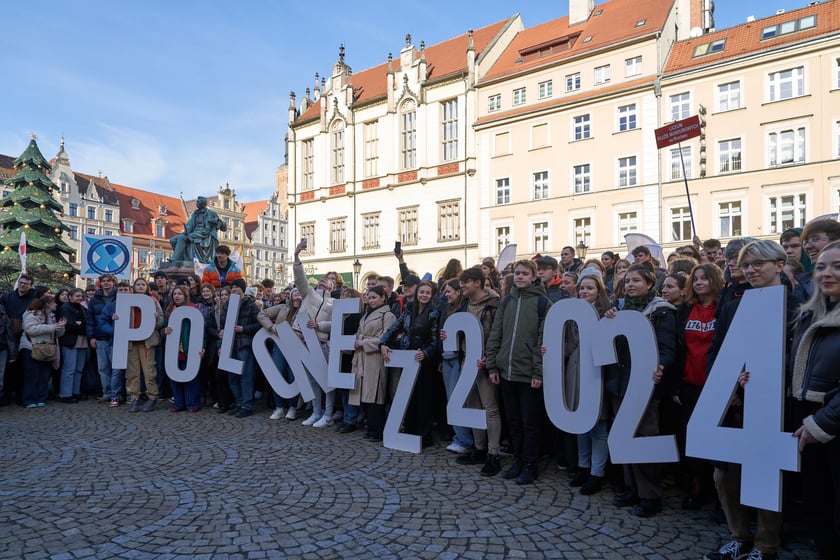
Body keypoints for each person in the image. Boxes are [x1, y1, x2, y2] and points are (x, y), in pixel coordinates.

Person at [705, 240, 802, 560]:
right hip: (735, 401)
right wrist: (726, 386)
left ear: (779, 263)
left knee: (766, 474)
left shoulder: (798, 304)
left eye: (759, 263)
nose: (750, 270)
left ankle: (765, 545)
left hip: (775, 403)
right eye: (746, 265)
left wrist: (763, 375)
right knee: (724, 474)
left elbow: (800, 356)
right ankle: (739, 536)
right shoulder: (735, 302)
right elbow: (718, 348)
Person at [607, 262, 677, 517]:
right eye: (627, 281)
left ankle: (651, 495)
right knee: (624, 437)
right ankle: (632, 488)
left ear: (650, 284)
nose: (630, 285)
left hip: (644, 384)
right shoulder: (618, 309)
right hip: (618, 382)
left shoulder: (662, 312)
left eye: (636, 281)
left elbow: (668, 348)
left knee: (645, 439)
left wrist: (661, 367)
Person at [790, 240, 840, 559]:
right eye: (821, 266)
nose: (827, 273)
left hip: (828, 421)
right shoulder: (812, 313)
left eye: (837, 266)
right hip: (811, 418)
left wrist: (821, 423)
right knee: (819, 499)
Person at [486, 259, 551, 484]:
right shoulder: (506, 303)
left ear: (534, 277)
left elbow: (544, 340)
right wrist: (492, 364)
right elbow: (496, 334)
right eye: (517, 273)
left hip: (528, 374)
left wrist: (538, 372)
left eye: (525, 273)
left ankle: (531, 464)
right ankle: (518, 459)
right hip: (506, 372)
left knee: (530, 423)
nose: (520, 277)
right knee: (513, 421)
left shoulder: (543, 303)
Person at [673, 263, 724, 510]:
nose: (699, 283)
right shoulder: (684, 311)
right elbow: (676, 348)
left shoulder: (725, 309)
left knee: (716, 442)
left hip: (716, 386)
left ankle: (719, 495)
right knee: (691, 440)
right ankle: (697, 488)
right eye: (696, 279)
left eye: (705, 278)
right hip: (689, 385)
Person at [381, 279, 440, 448]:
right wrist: (383, 343)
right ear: (417, 293)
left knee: (424, 397)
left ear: (432, 295)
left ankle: (425, 435)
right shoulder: (408, 309)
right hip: (407, 357)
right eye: (422, 292)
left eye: (428, 293)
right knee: (409, 396)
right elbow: (394, 328)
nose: (424, 295)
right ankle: (410, 430)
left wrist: (426, 352)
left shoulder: (434, 313)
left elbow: (436, 340)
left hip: (423, 359)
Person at [454, 266, 502, 476]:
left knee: (490, 408)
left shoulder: (494, 304)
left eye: (465, 282)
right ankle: (480, 448)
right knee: (473, 406)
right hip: (468, 360)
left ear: (477, 282)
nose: (462, 285)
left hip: (485, 362)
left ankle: (493, 454)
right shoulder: (465, 304)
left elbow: (498, 335)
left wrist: (490, 360)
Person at [572, 271, 612, 495]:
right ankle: (582, 467)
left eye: (590, 288)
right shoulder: (571, 314)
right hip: (575, 373)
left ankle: (597, 473)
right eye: (582, 288)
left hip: (599, 374)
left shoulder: (608, 314)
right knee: (580, 423)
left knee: (598, 426)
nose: (584, 292)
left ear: (599, 292)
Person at [293, 240, 336, 427]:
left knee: (326, 380)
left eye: (330, 279)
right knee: (311, 380)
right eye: (324, 277)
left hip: (320, 342)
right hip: (304, 341)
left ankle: (328, 413)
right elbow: (300, 279)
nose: (325, 280)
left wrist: (319, 325)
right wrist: (296, 258)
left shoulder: (334, 303)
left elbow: (334, 324)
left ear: (333, 286)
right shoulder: (309, 293)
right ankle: (316, 412)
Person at [350, 286, 396, 441]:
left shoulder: (388, 315)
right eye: (369, 298)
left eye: (374, 297)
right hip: (362, 357)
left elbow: (386, 337)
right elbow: (359, 331)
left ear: (384, 297)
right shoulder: (366, 315)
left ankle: (378, 430)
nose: (370, 300)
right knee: (366, 394)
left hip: (375, 358)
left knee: (376, 394)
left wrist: (364, 342)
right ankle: (371, 428)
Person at [438, 278, 474, 454]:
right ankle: (459, 437)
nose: (446, 295)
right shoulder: (447, 308)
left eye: (448, 291)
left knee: (457, 400)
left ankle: (464, 440)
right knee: (451, 399)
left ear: (458, 292)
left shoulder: (464, 308)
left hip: (458, 359)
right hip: (446, 359)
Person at [219, 278, 261, 418]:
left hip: (244, 344)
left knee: (246, 376)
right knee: (233, 377)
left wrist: (244, 328)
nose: (234, 290)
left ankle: (247, 405)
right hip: (230, 345)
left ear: (242, 289)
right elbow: (223, 324)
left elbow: (259, 325)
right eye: (233, 288)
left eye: (237, 287)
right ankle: (239, 402)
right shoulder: (227, 305)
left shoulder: (251, 305)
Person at [125, 278, 164, 413]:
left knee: (149, 370)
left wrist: (157, 318)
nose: (140, 287)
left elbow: (161, 322)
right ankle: (134, 397)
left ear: (146, 287)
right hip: (131, 341)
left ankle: (152, 396)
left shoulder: (152, 301)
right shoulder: (127, 302)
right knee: (132, 371)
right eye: (138, 284)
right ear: (134, 287)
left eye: (143, 285)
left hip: (146, 341)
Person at [163, 286, 203, 412]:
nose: (177, 296)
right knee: (174, 377)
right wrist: (164, 331)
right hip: (173, 349)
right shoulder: (169, 311)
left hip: (189, 348)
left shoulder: (193, 310)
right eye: (175, 294)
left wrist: (203, 347)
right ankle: (179, 403)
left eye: (179, 294)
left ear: (185, 296)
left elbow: (202, 331)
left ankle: (192, 403)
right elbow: (162, 327)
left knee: (191, 377)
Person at [20, 294, 66, 408]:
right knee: (32, 375)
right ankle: (29, 399)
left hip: (47, 349)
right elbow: (31, 329)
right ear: (47, 304)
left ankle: (41, 398)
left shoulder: (52, 316)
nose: (56, 304)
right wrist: (52, 327)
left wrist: (61, 327)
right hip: (32, 347)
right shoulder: (32, 313)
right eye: (54, 302)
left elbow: (57, 333)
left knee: (44, 376)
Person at [1, 273, 36, 404]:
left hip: (25, 337)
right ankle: (7, 394)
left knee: (23, 368)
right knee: (8, 368)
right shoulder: (7, 297)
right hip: (8, 337)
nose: (22, 285)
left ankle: (21, 395)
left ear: (30, 285)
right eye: (21, 282)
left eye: (26, 284)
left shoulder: (34, 299)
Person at [87, 274, 118, 402]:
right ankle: (107, 392)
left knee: (116, 368)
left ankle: (117, 393)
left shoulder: (119, 297)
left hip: (116, 338)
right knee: (103, 368)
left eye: (108, 281)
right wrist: (91, 336)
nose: (106, 283)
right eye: (104, 281)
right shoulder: (95, 299)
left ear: (113, 283)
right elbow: (90, 320)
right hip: (100, 338)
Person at [170, 195, 227, 263]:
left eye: (198, 201)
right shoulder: (194, 214)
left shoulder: (211, 213)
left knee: (181, 238)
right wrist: (185, 231)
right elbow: (189, 226)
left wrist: (218, 223)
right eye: (197, 201)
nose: (196, 203)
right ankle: (180, 258)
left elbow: (223, 226)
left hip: (204, 234)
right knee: (173, 240)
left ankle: (175, 258)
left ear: (203, 203)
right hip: (193, 233)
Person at [57, 288, 87, 403]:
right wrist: (80, 326)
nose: (79, 298)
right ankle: (65, 394)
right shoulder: (66, 308)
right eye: (77, 296)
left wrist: (80, 324)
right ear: (71, 297)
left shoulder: (83, 308)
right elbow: (69, 326)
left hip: (82, 341)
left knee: (79, 369)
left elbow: (86, 323)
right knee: (69, 369)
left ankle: (75, 391)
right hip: (70, 341)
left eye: (81, 296)